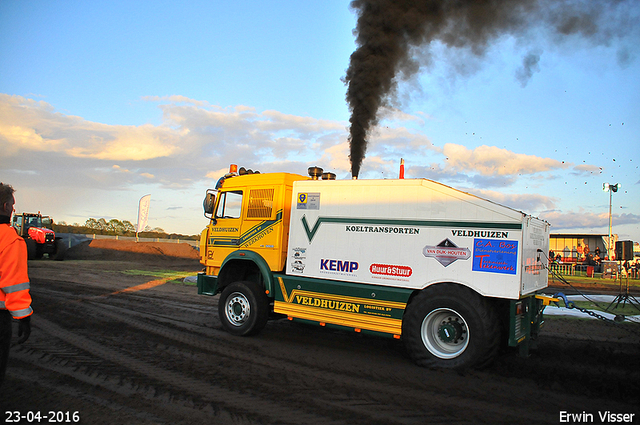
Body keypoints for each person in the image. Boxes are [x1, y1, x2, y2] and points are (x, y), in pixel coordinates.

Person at [0, 182, 32, 387]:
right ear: (5, 207)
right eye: (12, 205)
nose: (13, 209)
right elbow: (14, 283)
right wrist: (24, 318)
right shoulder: (10, 240)